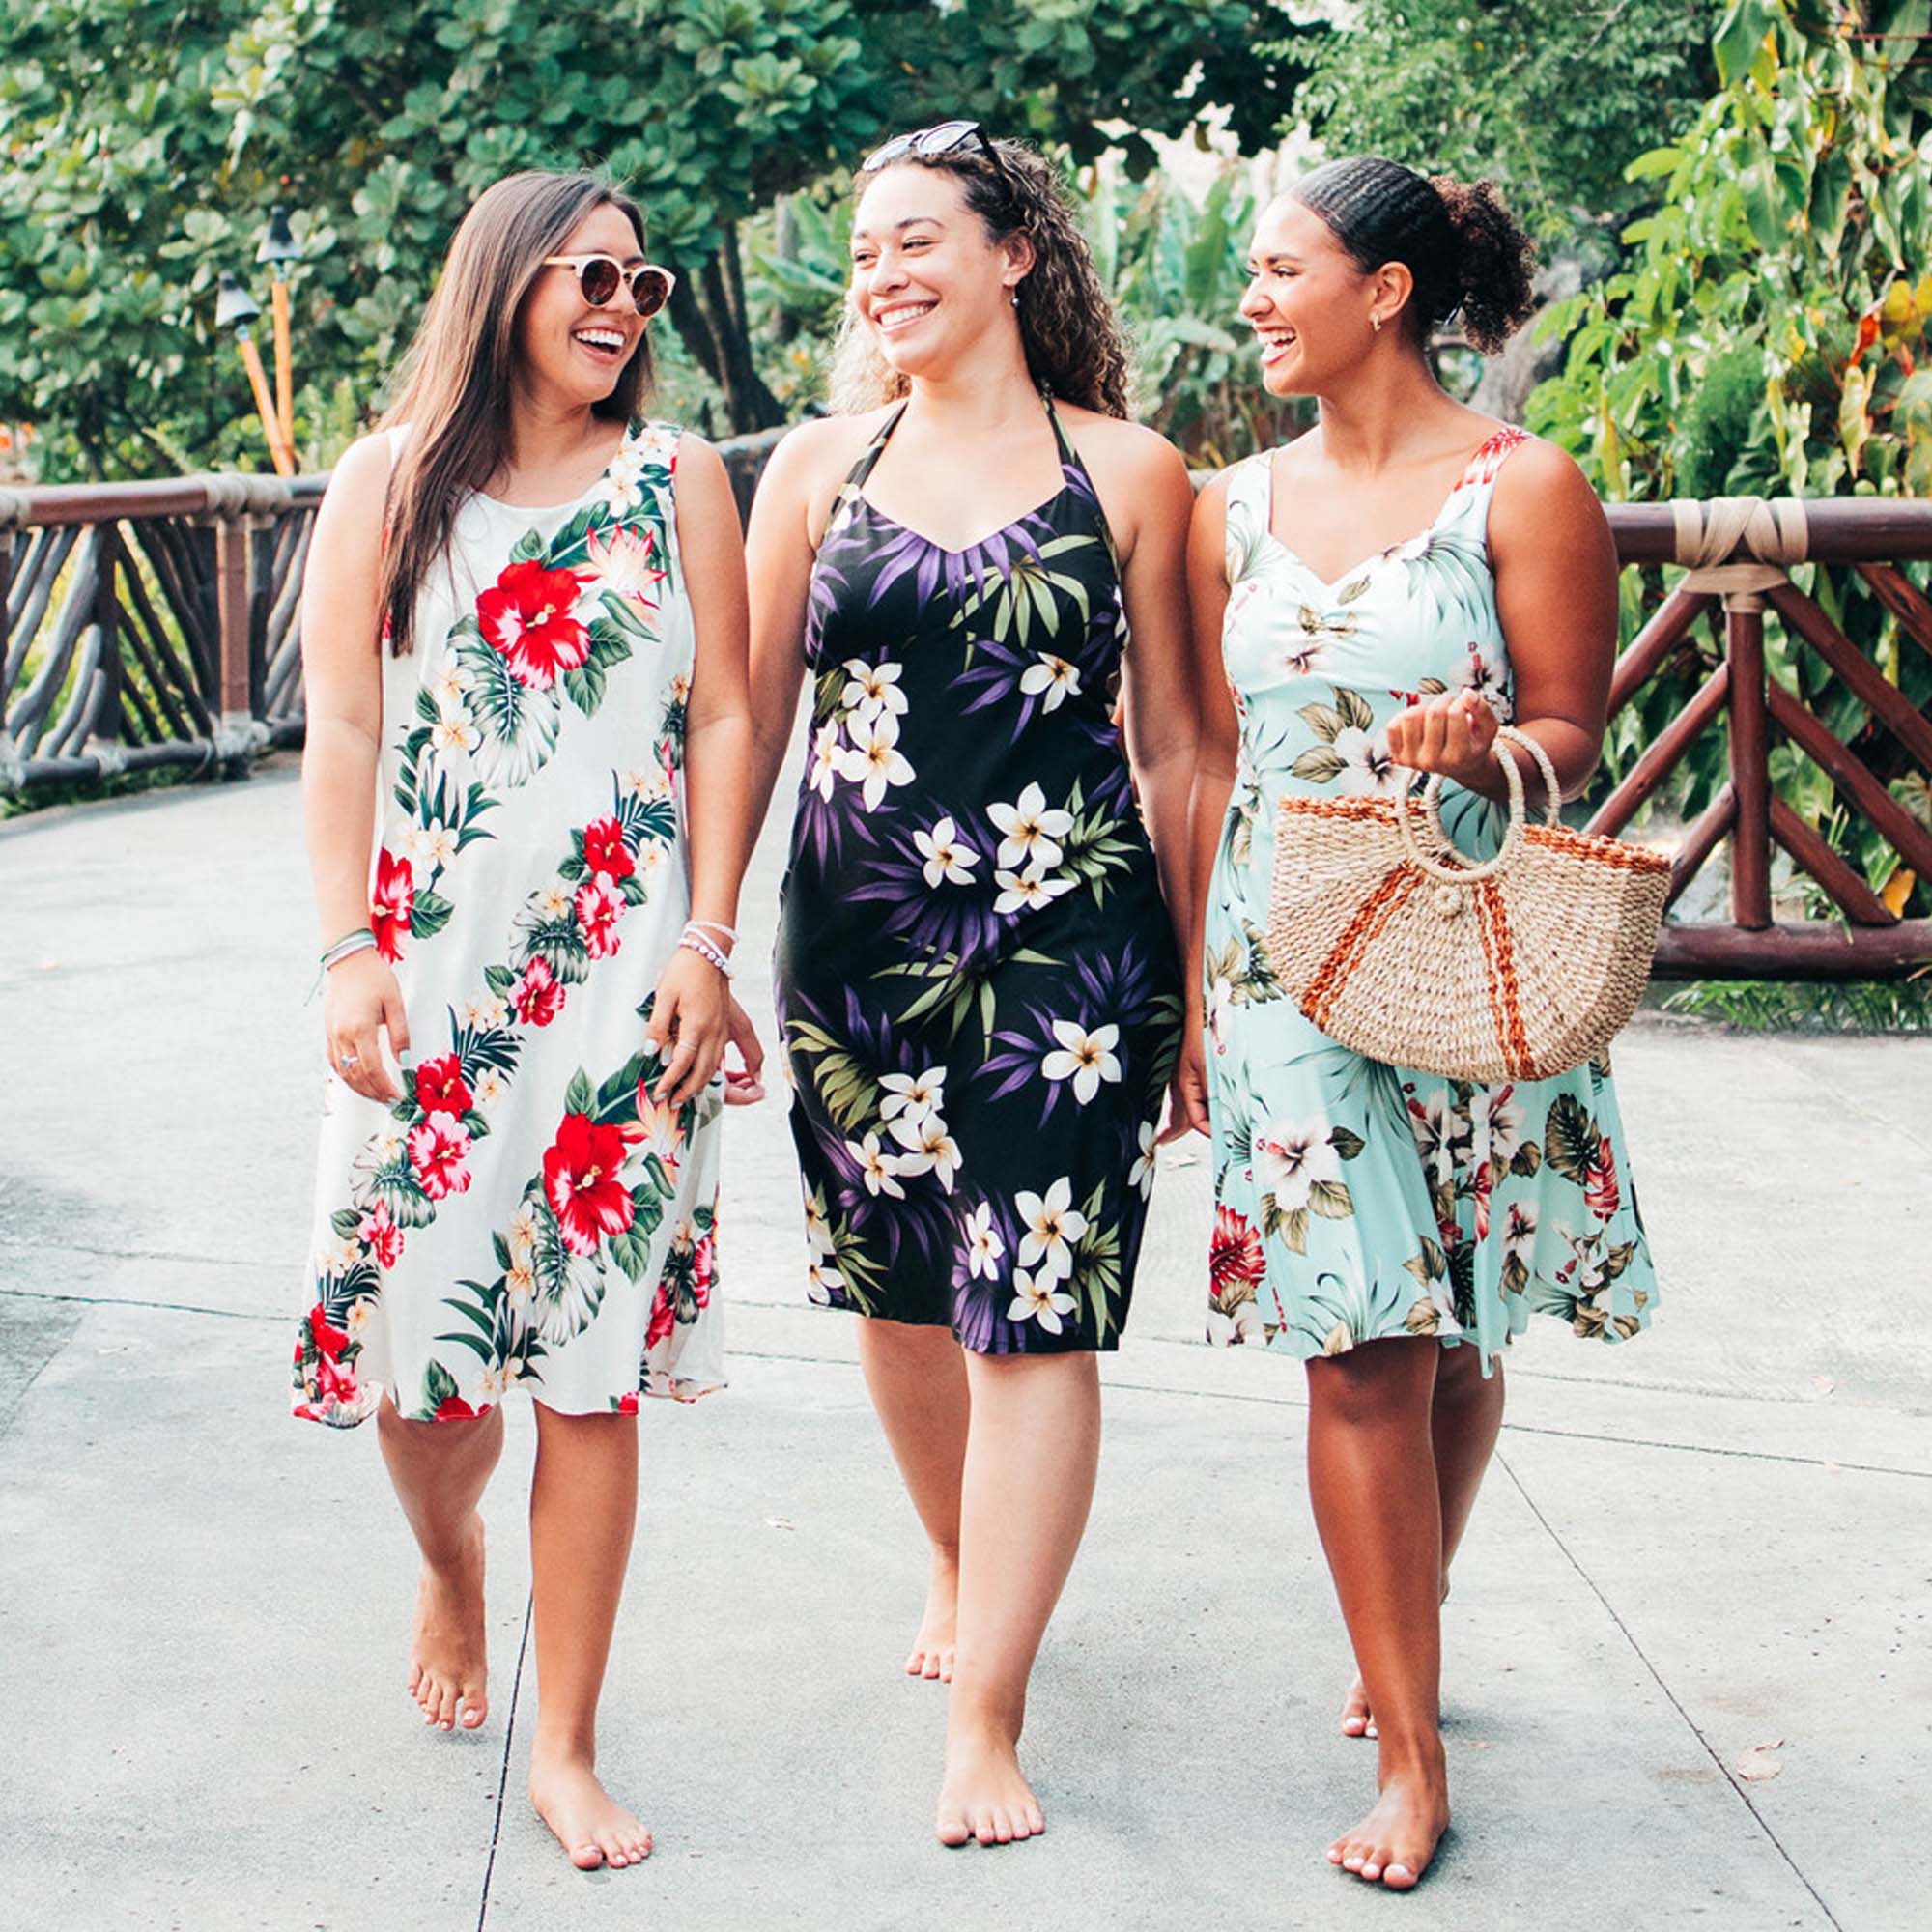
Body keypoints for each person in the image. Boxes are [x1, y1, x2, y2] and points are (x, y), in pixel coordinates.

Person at [1182, 156, 1657, 1889]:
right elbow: (1199, 757)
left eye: (1282, 268)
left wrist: (1491, 753)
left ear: (1382, 291)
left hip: (1465, 948)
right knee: (1361, 1340)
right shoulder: (1222, 505)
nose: (1255, 299)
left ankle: (1410, 1619)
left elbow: (1574, 731)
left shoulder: (1522, 488)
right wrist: (1184, 994)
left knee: (1455, 1331)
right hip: (1277, 966)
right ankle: (1414, 1744)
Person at [291, 169, 760, 1872]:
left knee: (591, 1370)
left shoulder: (676, 479)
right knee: (419, 1382)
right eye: (589, 275)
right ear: (501, 280)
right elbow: (341, 732)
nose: (622, 306)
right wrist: (346, 947)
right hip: (428, 984)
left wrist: (708, 939)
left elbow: (723, 720)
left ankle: (565, 1744)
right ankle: (448, 1562)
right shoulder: (387, 481)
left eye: (642, 281)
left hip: (627, 984)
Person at [743, 124, 1201, 1848]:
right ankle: (955, 1558)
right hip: (853, 940)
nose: (885, 275)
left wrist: (1198, 994)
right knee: (907, 1294)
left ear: (1017, 254)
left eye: (920, 239)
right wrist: (709, 940)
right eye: (867, 252)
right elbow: (746, 722)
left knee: (1040, 1311)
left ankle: (990, 1716)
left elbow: (1178, 752)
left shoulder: (1135, 475)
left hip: (1073, 951)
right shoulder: (814, 470)